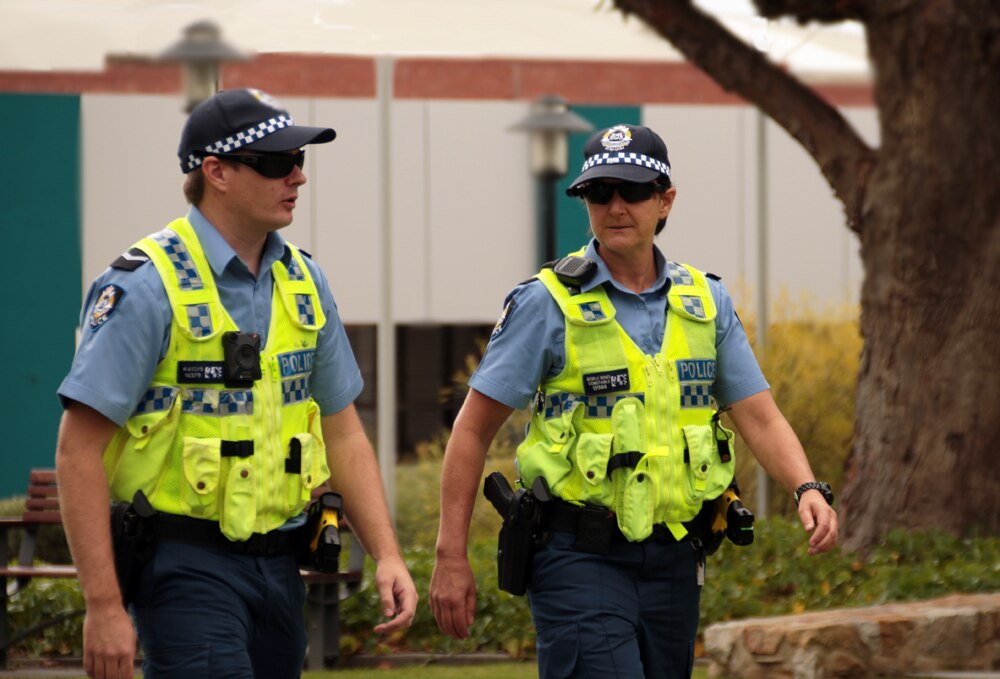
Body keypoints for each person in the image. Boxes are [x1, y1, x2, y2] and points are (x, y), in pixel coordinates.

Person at [429, 123, 838, 678]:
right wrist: (450, 555)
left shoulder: (706, 302)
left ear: (665, 200)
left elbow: (758, 415)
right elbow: (472, 430)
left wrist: (806, 487)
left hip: (674, 558)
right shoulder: (546, 303)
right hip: (577, 557)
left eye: (633, 190)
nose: (615, 206)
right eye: (600, 193)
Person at [56, 88, 417, 679]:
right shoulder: (147, 286)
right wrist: (102, 605)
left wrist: (388, 555)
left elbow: (343, 431)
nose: (298, 176)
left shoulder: (305, 281)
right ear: (216, 172)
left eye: (300, 160)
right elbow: (78, 450)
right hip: (184, 566)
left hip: (281, 569)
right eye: (276, 162)